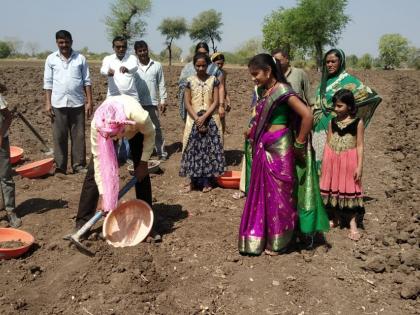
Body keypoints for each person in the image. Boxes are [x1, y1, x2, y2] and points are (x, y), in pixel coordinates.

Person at [238, 54, 313, 256]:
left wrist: (299, 143)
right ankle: (264, 236)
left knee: (280, 195)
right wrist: (251, 132)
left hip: (280, 147)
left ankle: (281, 241)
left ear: (268, 71)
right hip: (264, 144)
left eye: (256, 74)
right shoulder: (264, 91)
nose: (253, 78)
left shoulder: (283, 91)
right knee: (263, 193)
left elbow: (307, 115)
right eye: (251, 75)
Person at [69, 94, 159, 240]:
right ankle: (82, 225)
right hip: (107, 135)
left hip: (135, 130)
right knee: (92, 173)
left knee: (141, 172)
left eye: (115, 137)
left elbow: (150, 133)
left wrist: (143, 163)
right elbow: (99, 162)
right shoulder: (97, 126)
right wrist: (104, 194)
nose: (115, 141)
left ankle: (148, 224)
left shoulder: (139, 117)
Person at [273, 48, 329, 244]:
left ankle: (307, 230)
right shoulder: (271, 85)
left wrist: (301, 139)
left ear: (287, 59)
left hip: (298, 135)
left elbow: (309, 108)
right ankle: (286, 225)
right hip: (281, 140)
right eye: (274, 61)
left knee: (302, 180)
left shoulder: (298, 77)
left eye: (279, 60)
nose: (277, 64)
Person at [312, 48, 382, 172]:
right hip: (319, 128)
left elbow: (370, 96)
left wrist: (349, 118)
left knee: (334, 163)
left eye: (333, 61)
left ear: (341, 62)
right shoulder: (325, 81)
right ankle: (322, 189)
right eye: (327, 62)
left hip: (337, 129)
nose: (330, 65)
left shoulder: (348, 81)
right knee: (320, 162)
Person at [43, 30, 93, 174]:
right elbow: (48, 83)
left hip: (77, 103)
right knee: (59, 136)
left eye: (66, 42)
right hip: (57, 103)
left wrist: (89, 101)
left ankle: (78, 165)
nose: (64, 45)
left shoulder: (80, 58)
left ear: (71, 42)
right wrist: (48, 103)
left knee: (78, 136)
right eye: (61, 42)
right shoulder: (51, 59)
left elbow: (87, 81)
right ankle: (60, 166)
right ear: (57, 43)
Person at [320, 89, 365, 241]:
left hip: (349, 160)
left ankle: (353, 223)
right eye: (335, 106)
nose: (336, 109)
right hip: (333, 158)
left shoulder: (358, 122)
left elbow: (360, 145)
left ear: (350, 106)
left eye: (339, 106)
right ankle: (336, 218)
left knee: (349, 187)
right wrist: (326, 162)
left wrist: (359, 166)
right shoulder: (333, 121)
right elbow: (328, 141)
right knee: (334, 187)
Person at [179, 53, 225, 193]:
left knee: (209, 150)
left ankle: (207, 182)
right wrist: (197, 118)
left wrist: (204, 116)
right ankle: (193, 182)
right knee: (193, 150)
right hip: (193, 120)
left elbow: (216, 101)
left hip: (210, 118)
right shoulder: (189, 81)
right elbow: (187, 102)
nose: (200, 68)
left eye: (203, 65)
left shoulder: (214, 80)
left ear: (208, 65)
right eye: (197, 65)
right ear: (194, 65)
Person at [134, 40, 168, 161]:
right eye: (140, 51)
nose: (142, 53)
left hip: (152, 103)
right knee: (136, 130)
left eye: (144, 50)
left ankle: (161, 152)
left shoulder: (157, 65)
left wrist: (163, 100)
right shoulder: (133, 66)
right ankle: (139, 154)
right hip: (137, 103)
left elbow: (161, 84)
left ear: (147, 50)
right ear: (136, 52)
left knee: (156, 128)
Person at [178, 42, 225, 124]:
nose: (201, 68)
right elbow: (182, 87)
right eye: (200, 53)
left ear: (208, 53)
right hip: (192, 108)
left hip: (211, 107)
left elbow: (221, 87)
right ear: (196, 53)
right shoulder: (188, 68)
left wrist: (221, 105)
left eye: (205, 53)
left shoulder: (215, 68)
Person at [0, 84, 21, 228]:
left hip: (0, 141)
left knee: (5, 176)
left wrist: (1, 134)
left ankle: (10, 211)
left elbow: (8, 116)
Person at [211, 52, 231, 133]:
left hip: (220, 99)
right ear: (212, 62)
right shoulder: (208, 72)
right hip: (210, 99)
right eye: (217, 63)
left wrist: (228, 101)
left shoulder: (223, 73)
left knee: (221, 121)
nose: (219, 66)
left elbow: (223, 88)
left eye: (221, 64)